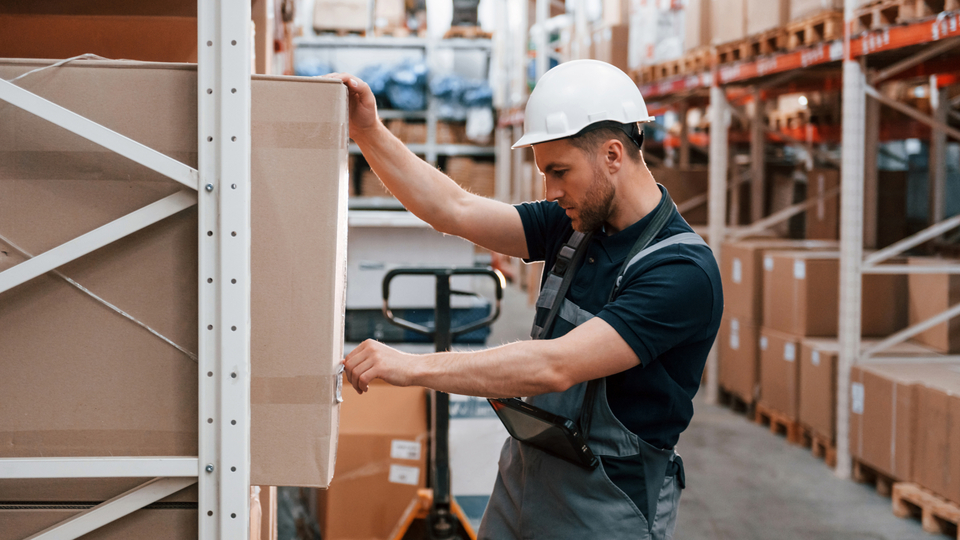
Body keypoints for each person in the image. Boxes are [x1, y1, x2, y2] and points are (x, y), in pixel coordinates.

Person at [327, 59, 722, 540]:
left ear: (613, 155)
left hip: (607, 506)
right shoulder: (576, 224)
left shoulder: (681, 273)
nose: (549, 191)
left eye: (560, 171)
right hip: (525, 478)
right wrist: (366, 130)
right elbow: (453, 208)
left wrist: (410, 368)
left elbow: (554, 366)